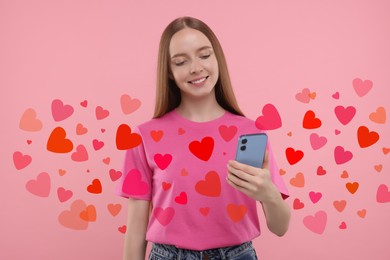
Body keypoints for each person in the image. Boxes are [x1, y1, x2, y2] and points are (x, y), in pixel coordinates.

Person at [118, 16, 291, 260]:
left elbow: (280, 227)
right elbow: (135, 230)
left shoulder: (251, 134)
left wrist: (269, 194)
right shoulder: (144, 137)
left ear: (217, 58)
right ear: (169, 71)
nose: (196, 68)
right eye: (181, 61)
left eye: (205, 55)